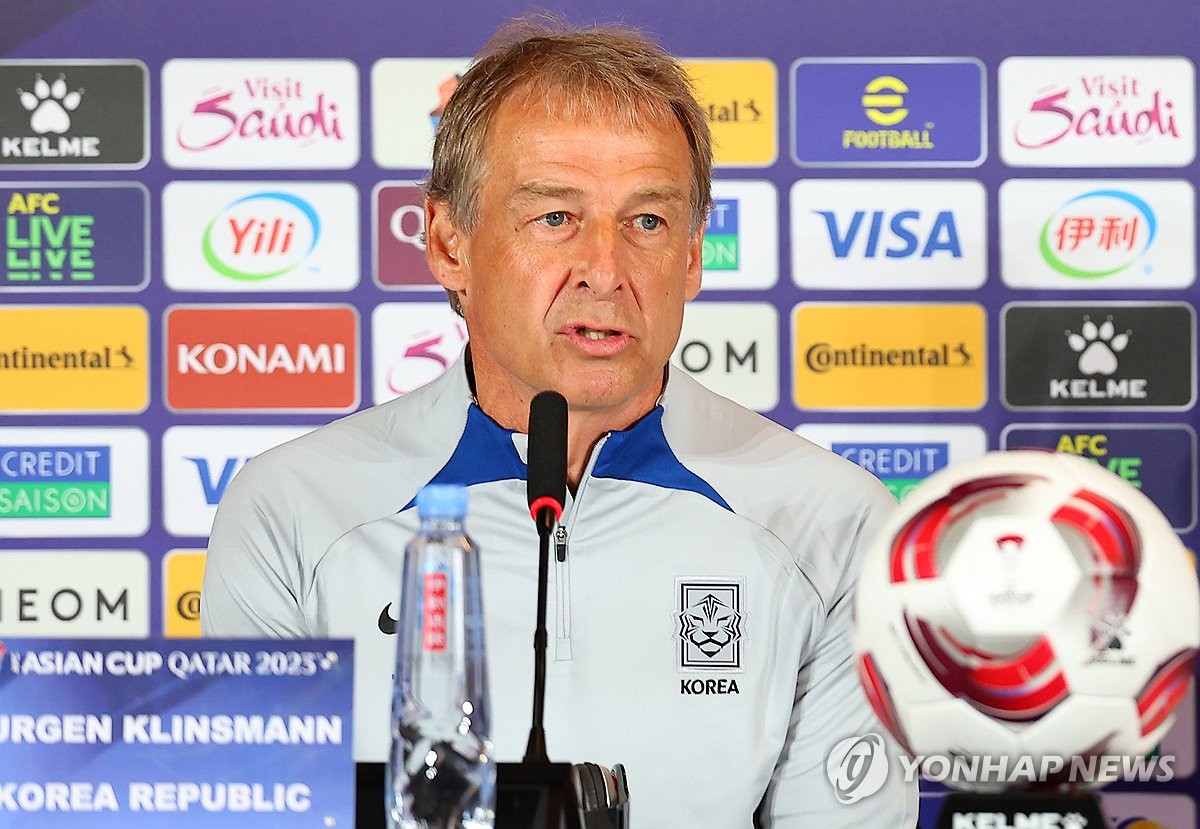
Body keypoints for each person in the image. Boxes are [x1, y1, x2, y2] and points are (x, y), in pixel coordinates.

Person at [202, 19, 918, 827]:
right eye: (555, 218)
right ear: (447, 242)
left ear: (690, 255)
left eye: (647, 221)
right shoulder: (291, 511)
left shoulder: (835, 520)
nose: (605, 270)